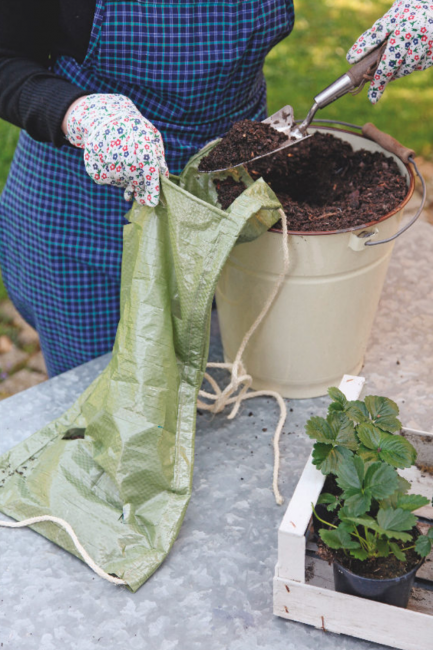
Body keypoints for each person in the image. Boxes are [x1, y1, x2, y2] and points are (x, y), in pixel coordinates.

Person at [0, 1, 431, 377]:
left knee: (235, 385)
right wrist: (78, 114)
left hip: (237, 189)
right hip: (94, 204)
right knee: (116, 418)